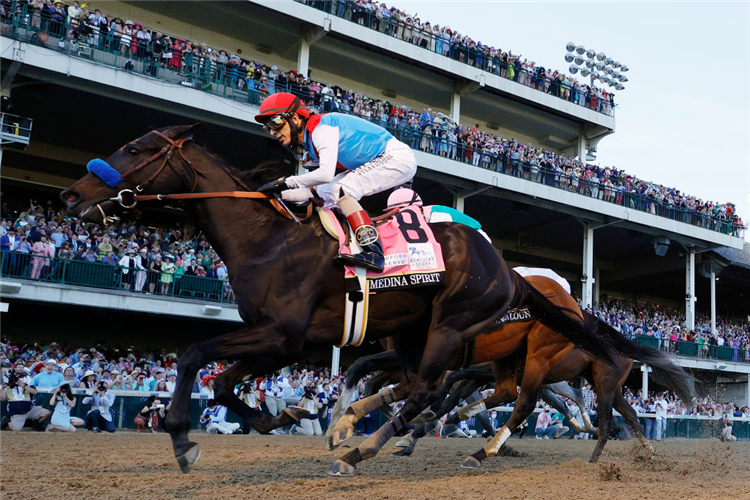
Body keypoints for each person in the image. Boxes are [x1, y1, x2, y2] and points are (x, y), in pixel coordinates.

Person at [254, 92, 417, 272]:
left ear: (295, 118)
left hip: (396, 156)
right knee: (325, 194)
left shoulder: (321, 129)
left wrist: (285, 182)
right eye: (267, 127)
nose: (272, 131)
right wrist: (272, 194)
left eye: (275, 123)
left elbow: (325, 174)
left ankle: (374, 251)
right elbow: (314, 190)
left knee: (344, 189)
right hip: (377, 159)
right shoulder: (306, 144)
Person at [0, 363, 51, 431]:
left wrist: (23, 385)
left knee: (47, 412)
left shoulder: (27, 379)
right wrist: (3, 388)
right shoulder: (7, 381)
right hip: (17, 410)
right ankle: (7, 421)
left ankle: (36, 425)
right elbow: (2, 399)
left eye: (22, 367)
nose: (20, 369)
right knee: (16, 429)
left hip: (30, 408)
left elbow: (34, 392)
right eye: (19, 367)